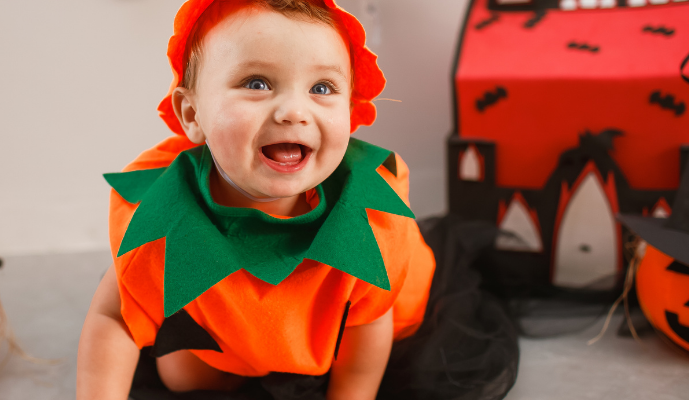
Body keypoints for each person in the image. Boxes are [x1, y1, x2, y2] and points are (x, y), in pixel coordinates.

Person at [77, 1, 436, 399]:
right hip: (228, 317)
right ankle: (237, 354)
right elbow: (114, 318)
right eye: (257, 83)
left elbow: (368, 322)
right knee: (180, 377)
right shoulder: (167, 211)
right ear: (192, 115)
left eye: (321, 88)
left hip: (328, 333)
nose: (294, 111)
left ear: (350, 111)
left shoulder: (366, 219)